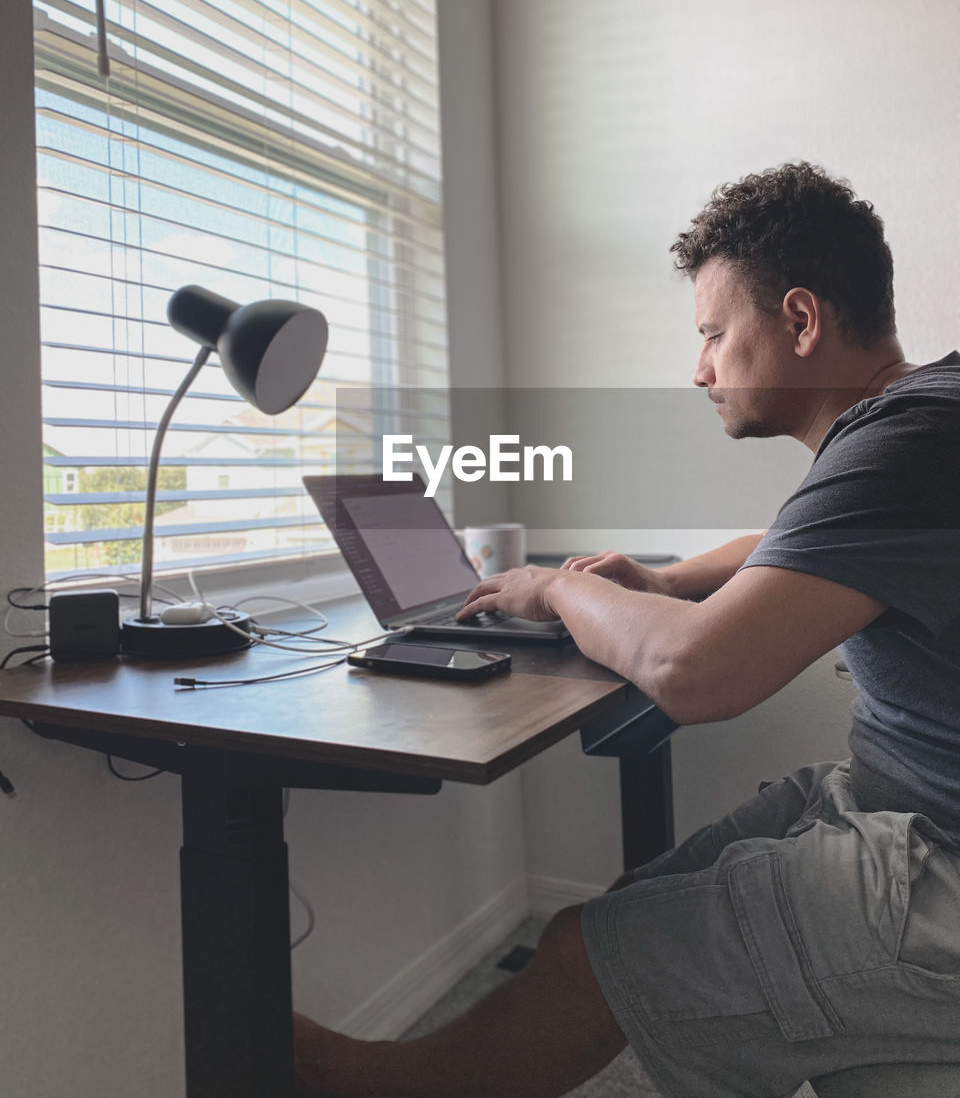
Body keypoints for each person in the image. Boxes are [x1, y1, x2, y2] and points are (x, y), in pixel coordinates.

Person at [294, 162, 960, 1098]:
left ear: (801, 322)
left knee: (580, 952)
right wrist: (667, 578)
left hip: (942, 859)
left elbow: (697, 673)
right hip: (901, 800)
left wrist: (551, 590)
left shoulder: (903, 443)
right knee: (635, 907)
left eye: (714, 336)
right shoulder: (922, 415)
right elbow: (795, 538)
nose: (698, 371)